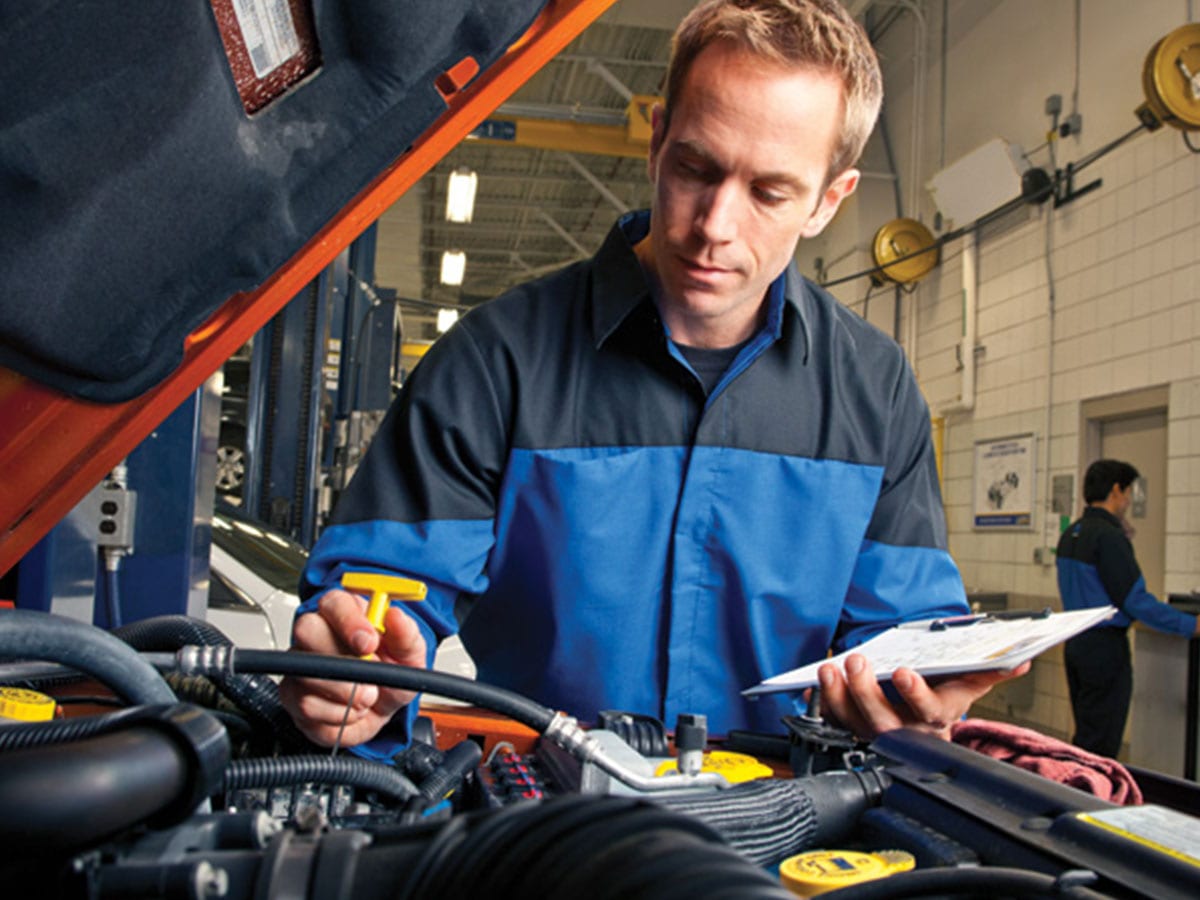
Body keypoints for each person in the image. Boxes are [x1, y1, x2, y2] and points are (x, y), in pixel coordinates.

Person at [280, 0, 1023, 757]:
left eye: (769, 193)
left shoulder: (875, 388)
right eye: (697, 169)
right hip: (541, 829)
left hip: (783, 840)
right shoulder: (496, 362)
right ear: (658, 139)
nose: (715, 226)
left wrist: (917, 698)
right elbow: (383, 591)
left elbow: (900, 632)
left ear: (829, 201)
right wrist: (356, 672)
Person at [1056, 459, 1199, 758]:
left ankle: (1080, 792)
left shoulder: (1072, 534)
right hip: (1105, 651)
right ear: (1116, 491)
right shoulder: (1108, 537)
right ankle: (1093, 798)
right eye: (1128, 492)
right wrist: (1189, 625)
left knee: (1087, 734)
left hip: (1076, 645)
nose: (1129, 501)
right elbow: (1135, 601)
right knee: (1103, 742)